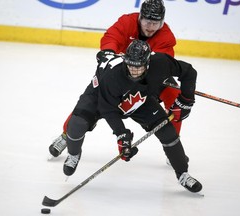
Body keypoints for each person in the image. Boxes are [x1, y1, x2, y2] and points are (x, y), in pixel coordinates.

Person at [60, 39, 202, 193]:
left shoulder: (160, 63)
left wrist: (185, 101)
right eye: (130, 65)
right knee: (76, 125)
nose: (133, 71)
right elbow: (107, 109)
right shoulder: (113, 76)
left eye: (138, 67)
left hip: (136, 97)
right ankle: (74, 154)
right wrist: (122, 135)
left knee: (168, 132)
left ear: (148, 63)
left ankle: (183, 173)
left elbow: (189, 72)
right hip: (99, 97)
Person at [49, 0, 183, 159]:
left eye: (156, 23)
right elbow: (112, 37)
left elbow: (163, 62)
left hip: (144, 81)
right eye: (147, 21)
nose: (151, 27)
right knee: (93, 98)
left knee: (175, 95)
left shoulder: (166, 36)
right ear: (140, 17)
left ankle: (172, 142)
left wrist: (154, 81)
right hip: (117, 75)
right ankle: (67, 134)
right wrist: (108, 52)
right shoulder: (127, 22)